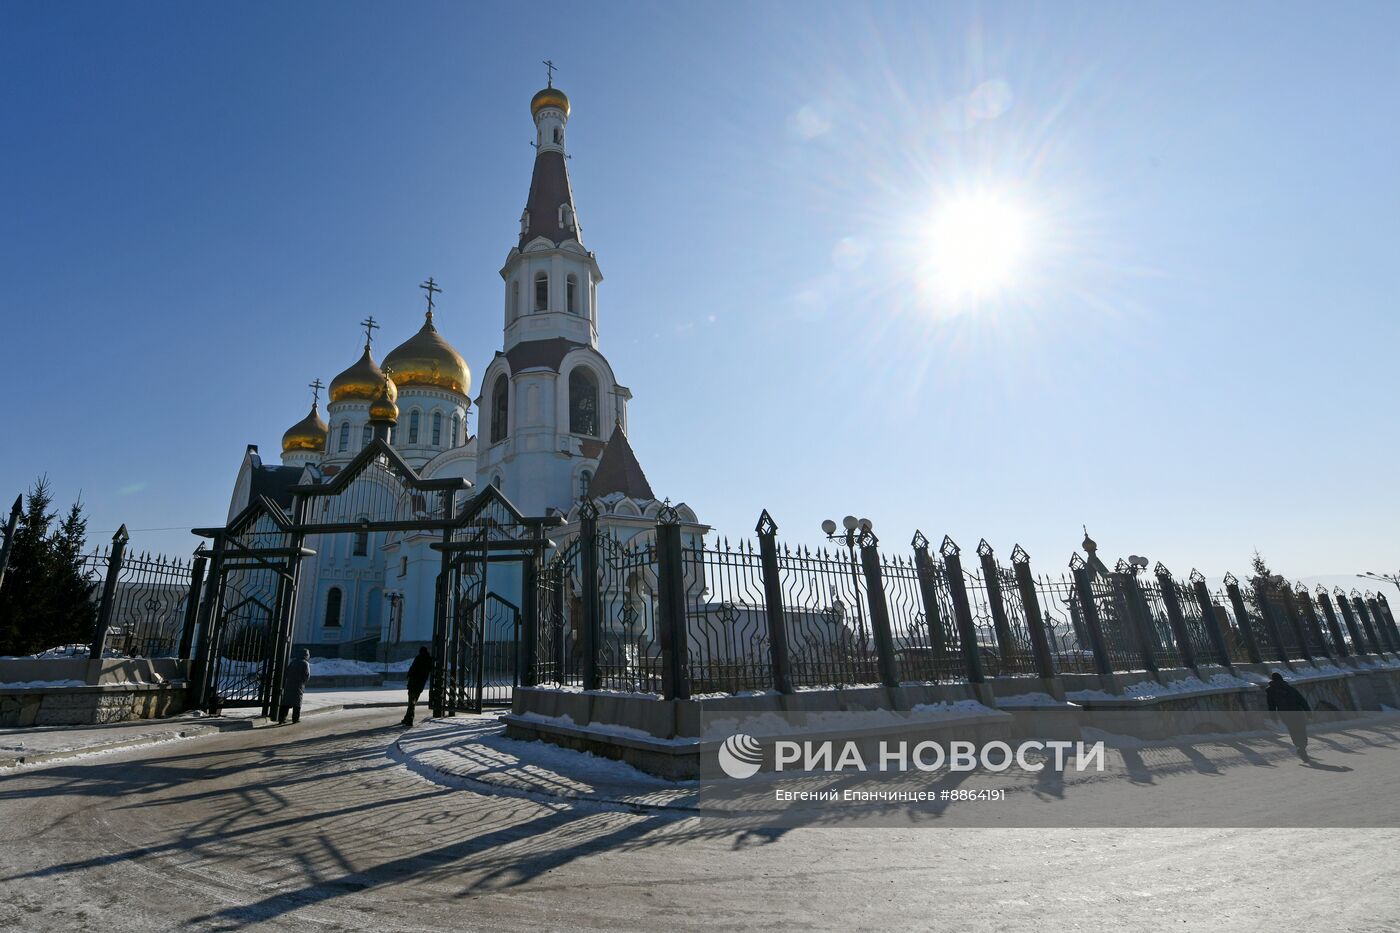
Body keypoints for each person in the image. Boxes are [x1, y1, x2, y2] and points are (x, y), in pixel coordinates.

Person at [1265, 671, 1312, 762]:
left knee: (1293, 730)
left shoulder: (1271, 691)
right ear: (1281, 679)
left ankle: (1299, 746)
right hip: (1298, 713)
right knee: (1301, 730)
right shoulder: (1289, 688)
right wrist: (1308, 712)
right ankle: (1302, 747)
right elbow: (1302, 700)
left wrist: (1273, 717)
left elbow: (1271, 705)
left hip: (1285, 715)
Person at [402, 646, 433, 728]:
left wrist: (408, 675)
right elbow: (430, 669)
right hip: (420, 684)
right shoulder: (429, 659)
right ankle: (406, 718)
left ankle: (409, 720)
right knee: (413, 702)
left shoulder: (418, 658)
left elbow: (413, 668)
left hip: (413, 683)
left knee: (411, 702)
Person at [279, 648, 311, 725]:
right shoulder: (305, 663)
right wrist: (303, 682)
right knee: (297, 702)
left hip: (289, 684)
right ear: (306, 655)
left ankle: (282, 718)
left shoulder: (293, 662)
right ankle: (295, 719)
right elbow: (307, 676)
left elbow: (287, 671)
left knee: (286, 701)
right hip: (298, 685)